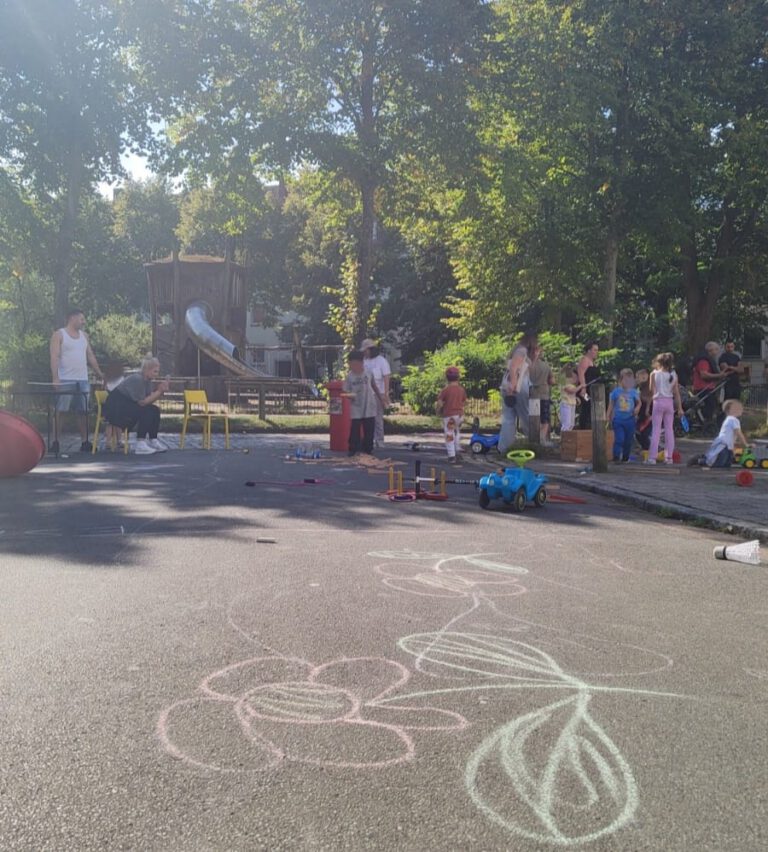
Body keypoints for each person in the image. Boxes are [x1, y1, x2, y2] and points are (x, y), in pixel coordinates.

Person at [49, 308, 103, 453]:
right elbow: (54, 356)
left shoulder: (84, 336)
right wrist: (55, 377)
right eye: (81, 319)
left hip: (82, 380)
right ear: (72, 318)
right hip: (65, 379)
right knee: (61, 411)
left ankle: (85, 442)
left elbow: (90, 356)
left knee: (83, 412)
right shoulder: (59, 335)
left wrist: (99, 373)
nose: (83, 322)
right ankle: (55, 442)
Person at [102, 356, 170, 455]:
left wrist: (160, 391)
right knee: (145, 411)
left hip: (126, 406)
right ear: (146, 370)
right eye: (155, 371)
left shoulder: (148, 382)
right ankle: (140, 443)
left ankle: (153, 439)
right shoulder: (137, 379)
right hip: (116, 409)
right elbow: (143, 402)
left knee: (154, 410)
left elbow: (149, 400)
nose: (157, 374)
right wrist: (159, 391)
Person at [499, 331, 537, 451]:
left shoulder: (517, 350)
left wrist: (535, 357)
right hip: (519, 387)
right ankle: (534, 443)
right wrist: (513, 384)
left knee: (508, 418)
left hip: (508, 387)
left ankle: (505, 447)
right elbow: (514, 367)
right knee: (526, 415)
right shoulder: (522, 351)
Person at [646, 353, 683, 465]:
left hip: (658, 402)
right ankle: (669, 457)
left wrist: (648, 406)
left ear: (659, 362)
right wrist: (680, 408)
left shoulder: (654, 374)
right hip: (669, 402)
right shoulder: (673, 375)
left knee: (656, 430)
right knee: (669, 430)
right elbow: (676, 393)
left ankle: (652, 457)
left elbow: (651, 390)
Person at [689, 400, 748, 467]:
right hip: (723, 445)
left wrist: (735, 443)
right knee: (718, 464)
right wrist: (745, 444)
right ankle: (700, 460)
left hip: (728, 446)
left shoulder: (730, 419)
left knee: (727, 464)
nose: (741, 410)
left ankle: (705, 459)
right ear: (730, 410)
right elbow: (738, 433)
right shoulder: (733, 419)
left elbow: (731, 434)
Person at [343, 350, 379, 456]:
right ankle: (353, 449)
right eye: (351, 364)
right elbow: (345, 390)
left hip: (369, 404)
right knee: (355, 428)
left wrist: (381, 397)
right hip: (356, 405)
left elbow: (374, 385)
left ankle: (368, 449)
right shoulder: (350, 376)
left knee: (369, 428)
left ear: (361, 363)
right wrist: (350, 395)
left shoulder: (368, 372)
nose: (353, 366)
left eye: (355, 364)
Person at [361, 339, 391, 448]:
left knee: (378, 418)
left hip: (378, 394)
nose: (365, 352)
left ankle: (379, 440)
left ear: (371, 350)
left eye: (366, 350)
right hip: (366, 394)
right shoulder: (364, 361)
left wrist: (386, 394)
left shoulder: (381, 361)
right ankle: (369, 440)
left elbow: (386, 377)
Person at [607, 368, 641, 462]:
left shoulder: (634, 392)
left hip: (630, 419)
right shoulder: (616, 392)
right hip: (618, 419)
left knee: (628, 440)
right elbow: (611, 404)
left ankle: (625, 457)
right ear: (620, 380)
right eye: (625, 380)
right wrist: (607, 416)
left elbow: (639, 402)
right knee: (619, 439)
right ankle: (616, 456)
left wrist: (637, 408)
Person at [692, 341, 730, 423]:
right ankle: (706, 425)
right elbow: (704, 375)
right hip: (703, 389)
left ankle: (711, 424)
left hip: (709, 388)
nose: (717, 352)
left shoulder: (710, 360)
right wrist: (719, 376)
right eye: (716, 349)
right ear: (710, 350)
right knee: (708, 409)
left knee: (714, 407)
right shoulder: (703, 361)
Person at [436, 366, 467, 464]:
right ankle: (457, 450)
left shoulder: (446, 390)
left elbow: (440, 403)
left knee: (449, 434)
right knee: (456, 432)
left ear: (446, 377)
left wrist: (438, 411)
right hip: (459, 415)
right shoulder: (461, 390)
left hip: (449, 416)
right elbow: (464, 402)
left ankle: (451, 455)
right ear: (458, 377)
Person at [528, 345, 555, 445]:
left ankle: (533, 439)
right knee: (545, 419)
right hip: (544, 394)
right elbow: (552, 380)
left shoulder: (527, 365)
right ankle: (542, 439)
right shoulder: (546, 366)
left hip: (532, 395)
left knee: (534, 418)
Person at [101, 362, 126, 450]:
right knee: (118, 421)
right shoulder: (122, 379)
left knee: (109, 422)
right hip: (119, 407)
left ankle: (108, 441)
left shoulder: (106, 379)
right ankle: (119, 440)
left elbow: (103, 389)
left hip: (106, 408)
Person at [576, 342, 600, 429]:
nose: (597, 352)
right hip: (585, 390)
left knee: (591, 406)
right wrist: (583, 388)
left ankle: (590, 426)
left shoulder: (592, 362)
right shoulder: (585, 360)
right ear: (589, 351)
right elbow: (581, 374)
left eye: (597, 350)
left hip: (593, 390)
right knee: (587, 405)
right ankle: (583, 427)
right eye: (595, 350)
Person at [634, 367, 652, 452]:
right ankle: (644, 448)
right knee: (637, 431)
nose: (636, 379)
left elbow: (649, 398)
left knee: (644, 432)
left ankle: (647, 448)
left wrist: (647, 409)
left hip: (647, 411)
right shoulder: (640, 387)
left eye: (638, 377)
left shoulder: (649, 386)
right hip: (641, 412)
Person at [559, 364, 579, 433]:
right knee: (566, 424)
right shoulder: (563, 379)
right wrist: (581, 386)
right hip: (566, 403)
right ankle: (563, 439)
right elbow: (570, 390)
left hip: (572, 403)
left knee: (571, 424)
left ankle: (568, 440)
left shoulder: (572, 382)